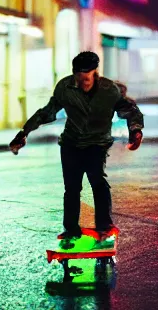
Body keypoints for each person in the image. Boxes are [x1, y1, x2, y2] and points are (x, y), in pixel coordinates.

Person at [9, 51, 144, 248]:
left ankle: (104, 227)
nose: (83, 83)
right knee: (71, 188)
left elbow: (130, 111)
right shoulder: (65, 87)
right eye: (79, 79)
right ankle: (70, 229)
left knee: (98, 182)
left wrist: (135, 132)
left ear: (94, 73)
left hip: (97, 143)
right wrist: (24, 132)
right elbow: (47, 112)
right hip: (71, 143)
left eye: (87, 79)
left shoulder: (109, 90)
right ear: (74, 75)